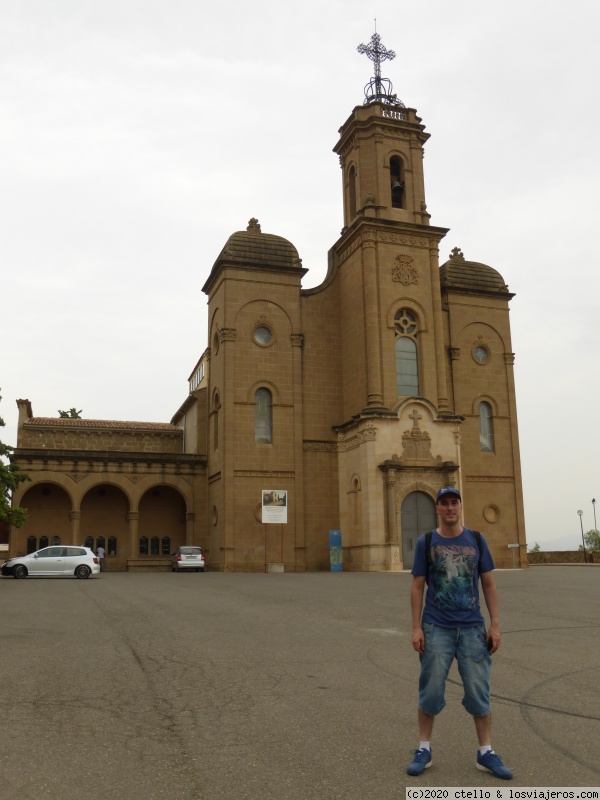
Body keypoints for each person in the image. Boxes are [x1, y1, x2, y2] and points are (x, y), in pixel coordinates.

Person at [406, 486, 513, 780]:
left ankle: (486, 752)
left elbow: (489, 584)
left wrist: (495, 624)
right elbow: (417, 586)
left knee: (479, 690)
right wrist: (416, 628)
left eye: (454, 502)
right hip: (435, 626)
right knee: (430, 689)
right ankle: (424, 748)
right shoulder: (425, 541)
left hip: (471, 629)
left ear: (460, 506)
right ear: (437, 508)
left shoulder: (477, 539)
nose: (450, 507)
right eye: (445, 503)